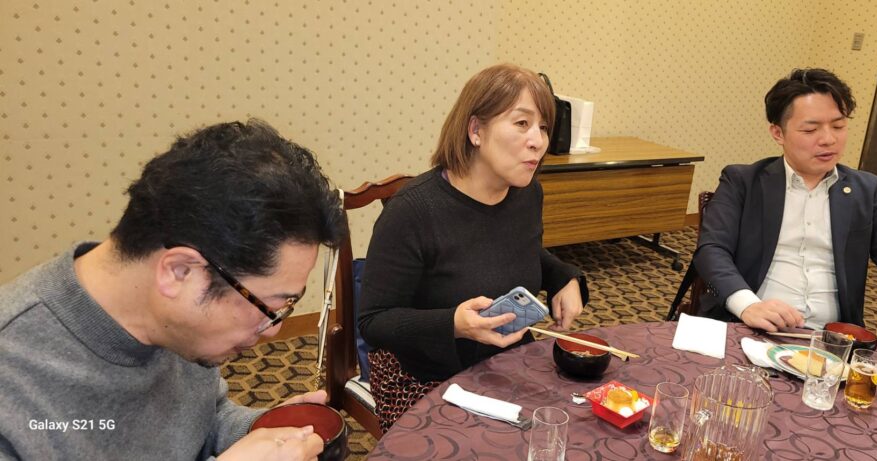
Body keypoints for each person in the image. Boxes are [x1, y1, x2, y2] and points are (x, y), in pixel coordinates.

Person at [0, 120, 346, 460]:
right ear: (181, 271)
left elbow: (203, 421)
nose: (273, 330)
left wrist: (267, 432)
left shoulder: (183, 327)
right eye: (268, 308)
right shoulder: (14, 374)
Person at [358, 63, 588, 431]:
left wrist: (564, 276)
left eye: (544, 127)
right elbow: (373, 321)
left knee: (570, 427)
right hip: (424, 375)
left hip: (504, 358)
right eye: (522, 123)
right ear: (476, 130)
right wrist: (453, 324)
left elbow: (517, 251)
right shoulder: (413, 210)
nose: (538, 141)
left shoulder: (527, 194)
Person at [693, 68, 877, 360]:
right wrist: (748, 305)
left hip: (836, 341)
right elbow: (712, 249)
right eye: (810, 130)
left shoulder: (868, 190)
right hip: (750, 328)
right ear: (778, 133)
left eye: (838, 126)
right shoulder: (743, 181)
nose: (828, 139)